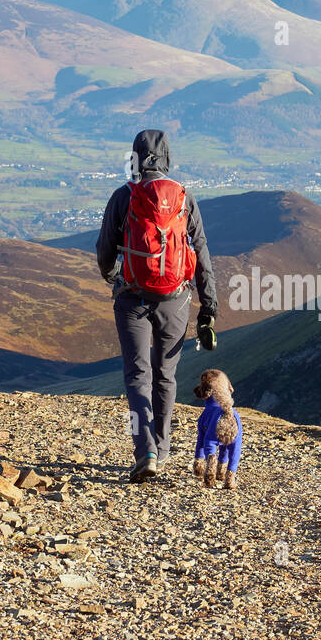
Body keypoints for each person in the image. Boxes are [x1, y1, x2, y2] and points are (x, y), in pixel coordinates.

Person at [96, 129, 218, 482]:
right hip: (176, 298)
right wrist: (209, 304)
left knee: (137, 375)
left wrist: (113, 276)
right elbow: (202, 251)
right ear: (167, 158)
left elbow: (105, 248)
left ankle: (144, 451)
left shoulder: (124, 196)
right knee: (165, 375)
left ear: (134, 159)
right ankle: (161, 450)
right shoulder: (183, 198)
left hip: (132, 296)